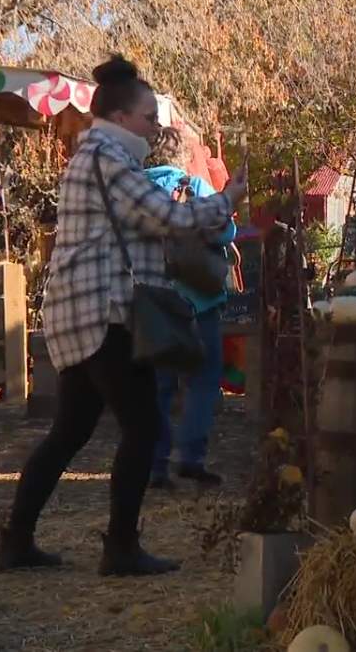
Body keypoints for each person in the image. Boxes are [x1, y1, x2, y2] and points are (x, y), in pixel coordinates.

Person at [0, 55, 248, 577]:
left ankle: (17, 540)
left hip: (80, 310)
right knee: (144, 426)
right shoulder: (108, 157)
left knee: (70, 432)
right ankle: (121, 547)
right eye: (149, 117)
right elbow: (168, 216)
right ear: (120, 117)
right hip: (102, 311)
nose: (155, 126)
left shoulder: (94, 155)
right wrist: (226, 201)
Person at [143, 127, 235, 490]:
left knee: (159, 388)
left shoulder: (134, 193)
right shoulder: (194, 187)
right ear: (181, 156)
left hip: (153, 301)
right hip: (198, 301)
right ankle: (192, 457)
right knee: (203, 380)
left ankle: (156, 465)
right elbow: (225, 231)